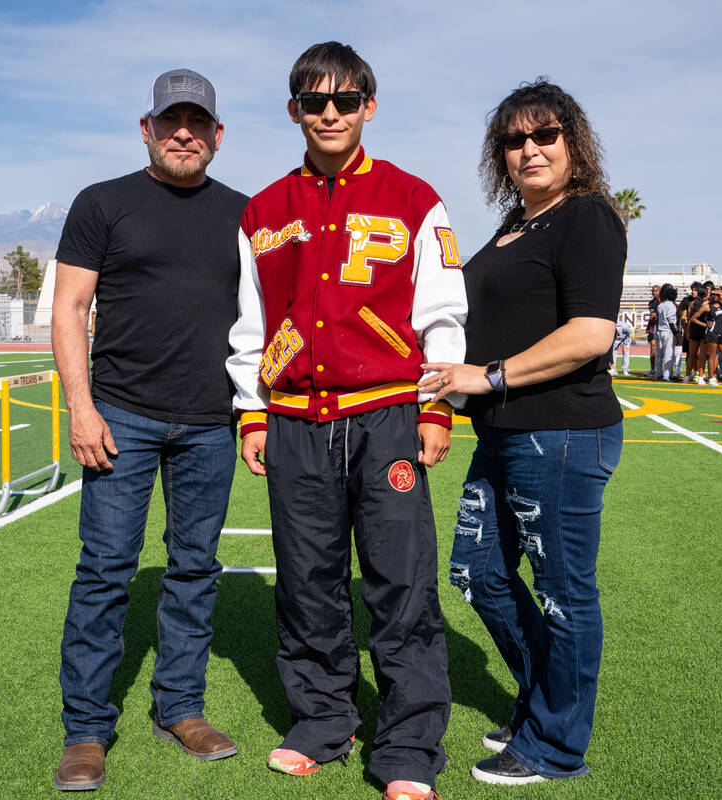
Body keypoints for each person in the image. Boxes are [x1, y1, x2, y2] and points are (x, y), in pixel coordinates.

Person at [226, 42, 466, 800]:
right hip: (293, 418)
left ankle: (408, 747)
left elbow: (442, 313)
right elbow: (251, 323)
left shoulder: (416, 197)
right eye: (313, 100)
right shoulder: (262, 211)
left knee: (401, 583)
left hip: (387, 415)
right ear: (294, 109)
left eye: (345, 99)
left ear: (368, 105)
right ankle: (325, 722)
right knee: (307, 582)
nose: (329, 112)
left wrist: (436, 404)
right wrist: (251, 412)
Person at [420, 78, 624, 786]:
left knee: (563, 593)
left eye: (546, 135)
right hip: (505, 437)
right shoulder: (514, 224)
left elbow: (592, 333)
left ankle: (555, 745)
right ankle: (540, 704)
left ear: (574, 142)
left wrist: (490, 376)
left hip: (561, 433)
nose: (529, 148)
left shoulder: (587, 217)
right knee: (476, 574)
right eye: (514, 139)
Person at [50, 69, 248, 791]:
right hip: (121, 417)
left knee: (194, 568)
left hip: (210, 423)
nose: (185, 133)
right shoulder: (103, 203)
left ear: (218, 135)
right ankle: (86, 728)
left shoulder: (247, 214)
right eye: (172, 121)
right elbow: (70, 309)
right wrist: (81, 406)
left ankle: (181, 708)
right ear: (148, 128)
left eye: (198, 122)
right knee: (105, 570)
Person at [654, 284, 678, 380]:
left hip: (659, 330)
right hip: (668, 332)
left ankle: (659, 373)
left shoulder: (661, 305)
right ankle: (667, 376)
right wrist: (676, 333)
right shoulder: (671, 305)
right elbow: (671, 321)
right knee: (669, 354)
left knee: (659, 355)